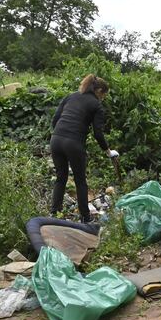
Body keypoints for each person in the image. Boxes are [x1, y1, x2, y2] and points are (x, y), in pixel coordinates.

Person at [51, 74, 119, 223]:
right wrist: (108, 151)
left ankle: (54, 214)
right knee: (80, 181)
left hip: (55, 140)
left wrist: (60, 134)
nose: (103, 98)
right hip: (74, 143)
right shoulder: (96, 105)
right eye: (103, 95)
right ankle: (85, 218)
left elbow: (55, 119)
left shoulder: (71, 96)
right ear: (99, 90)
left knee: (60, 178)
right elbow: (98, 133)